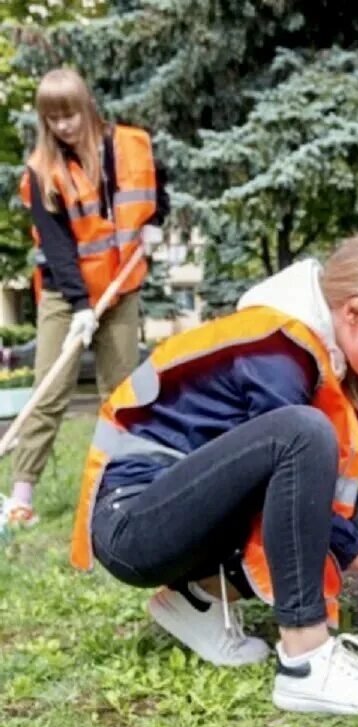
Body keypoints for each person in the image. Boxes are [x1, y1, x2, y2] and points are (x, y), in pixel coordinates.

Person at [72, 231, 358, 715]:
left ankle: (197, 599)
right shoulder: (277, 350)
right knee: (302, 433)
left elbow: (297, 499)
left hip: (172, 511)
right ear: (353, 312)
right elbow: (292, 452)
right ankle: (307, 661)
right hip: (133, 523)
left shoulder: (299, 346)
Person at [6, 68, 170, 524]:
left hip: (120, 287)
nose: (63, 126)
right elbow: (57, 246)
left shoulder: (130, 145)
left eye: (70, 114)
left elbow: (160, 185)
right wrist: (79, 306)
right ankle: (22, 497)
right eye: (53, 118)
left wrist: (157, 220)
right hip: (65, 295)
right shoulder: (42, 172)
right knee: (48, 390)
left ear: (86, 107)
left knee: (120, 392)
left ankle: (125, 486)